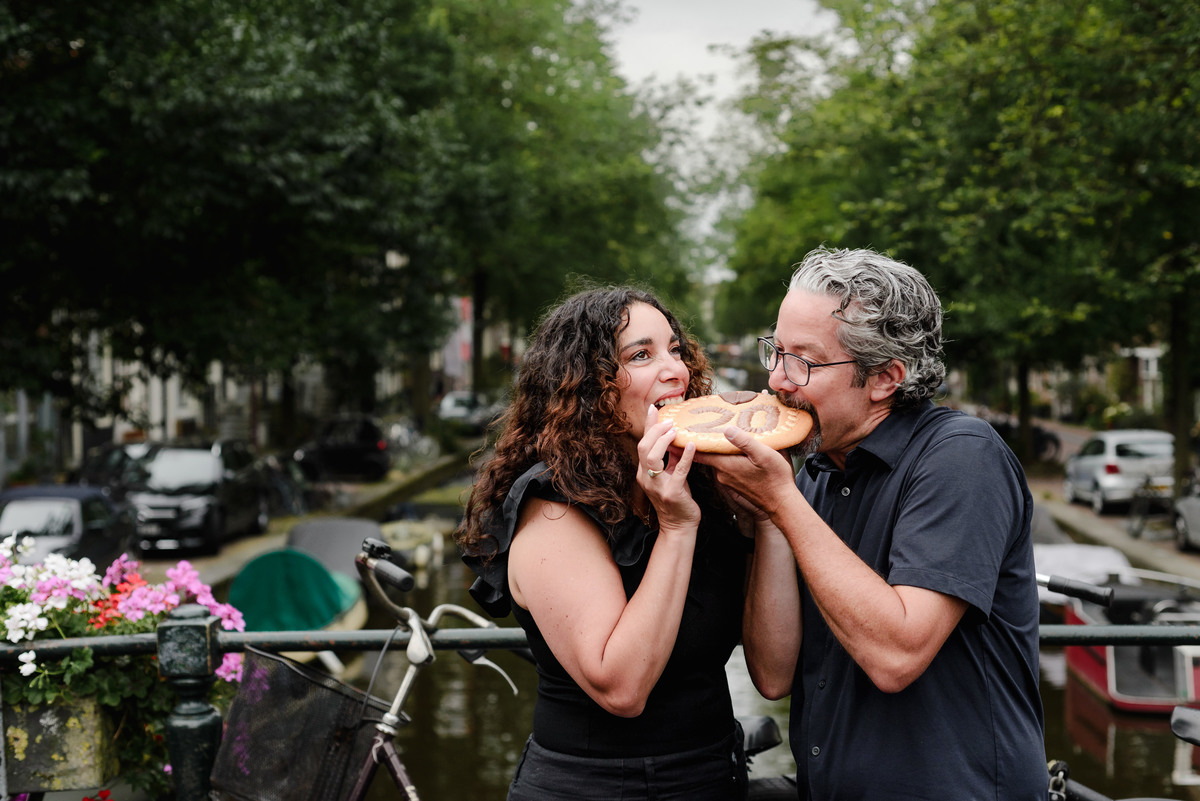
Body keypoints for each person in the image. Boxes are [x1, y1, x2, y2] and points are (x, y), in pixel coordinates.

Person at [695, 247, 1045, 799]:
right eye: (776, 351)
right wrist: (766, 513)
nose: (776, 381)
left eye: (803, 362)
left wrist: (782, 502)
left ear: (885, 378)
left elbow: (896, 655)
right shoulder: (813, 472)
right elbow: (773, 674)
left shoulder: (962, 458)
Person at [456, 286, 750, 800]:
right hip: (598, 788)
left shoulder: (696, 482)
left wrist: (768, 514)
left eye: (675, 349)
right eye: (642, 355)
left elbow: (773, 675)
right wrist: (677, 528)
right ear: (589, 386)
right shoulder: (553, 508)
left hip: (714, 776)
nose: (676, 369)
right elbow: (621, 687)